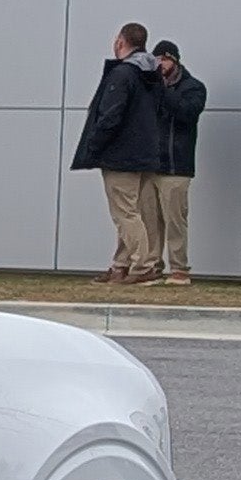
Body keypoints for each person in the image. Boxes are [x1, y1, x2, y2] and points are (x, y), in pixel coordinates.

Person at [70, 23, 167, 284]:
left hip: (120, 154)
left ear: (121, 42)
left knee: (125, 213)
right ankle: (120, 266)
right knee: (133, 212)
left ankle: (143, 266)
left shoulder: (122, 74)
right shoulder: (152, 75)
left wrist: (94, 145)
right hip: (145, 153)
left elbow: (110, 116)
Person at [146, 39, 207, 284]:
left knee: (175, 221)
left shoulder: (193, 88)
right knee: (149, 220)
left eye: (165, 59)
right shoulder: (148, 88)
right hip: (149, 164)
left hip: (176, 166)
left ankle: (179, 269)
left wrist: (162, 91)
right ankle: (152, 266)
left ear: (175, 60)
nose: (161, 64)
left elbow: (186, 114)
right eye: (157, 59)